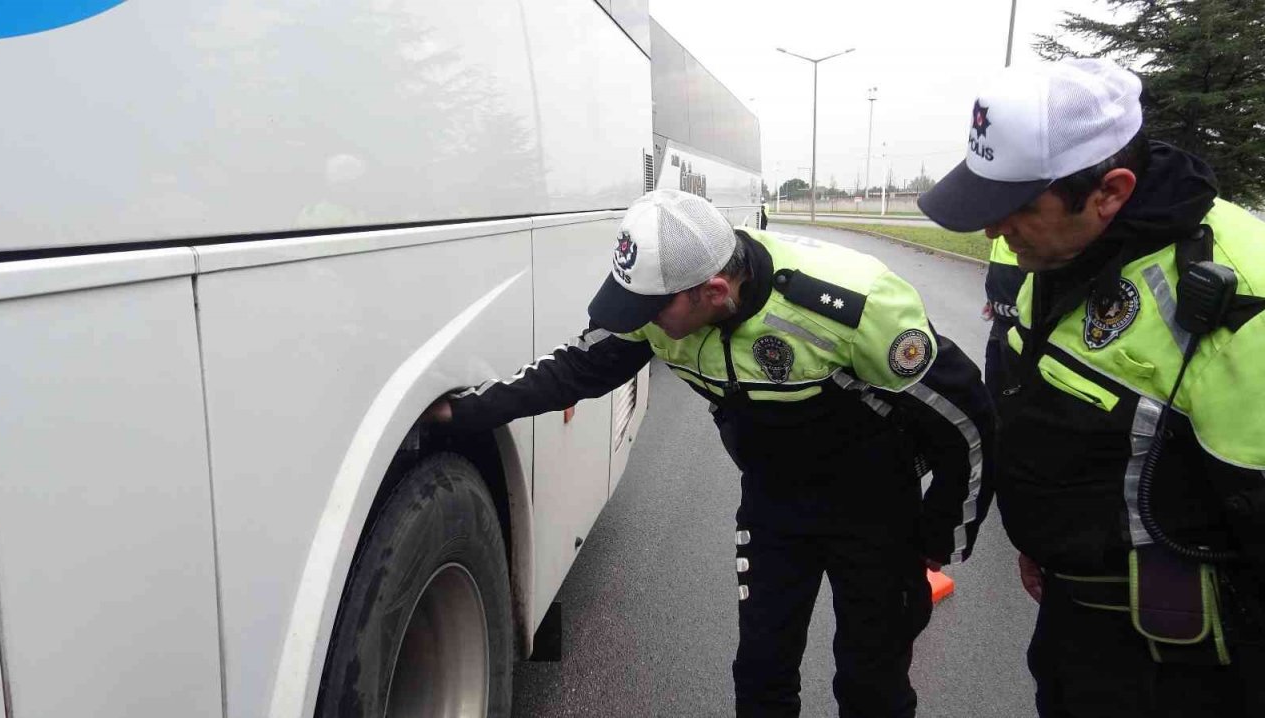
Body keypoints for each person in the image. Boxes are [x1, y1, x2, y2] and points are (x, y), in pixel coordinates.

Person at [424, 188, 993, 717]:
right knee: (761, 673)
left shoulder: (849, 307)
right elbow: (576, 369)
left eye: (647, 311)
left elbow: (965, 420)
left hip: (874, 509)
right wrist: (465, 411)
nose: (635, 323)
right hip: (774, 503)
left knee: (873, 683)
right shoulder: (658, 308)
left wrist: (939, 536)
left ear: (714, 292)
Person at [919, 58, 1265, 717]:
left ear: (1109, 191)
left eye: (1012, 208)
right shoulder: (1053, 249)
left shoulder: (1244, 297)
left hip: (1188, 668)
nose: (993, 232)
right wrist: (1040, 541)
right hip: (1075, 628)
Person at [981, 236, 1024, 402]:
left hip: (1023, 328)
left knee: (1014, 392)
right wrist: (992, 298)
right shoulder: (1000, 226)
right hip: (1000, 319)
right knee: (993, 383)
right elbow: (997, 260)